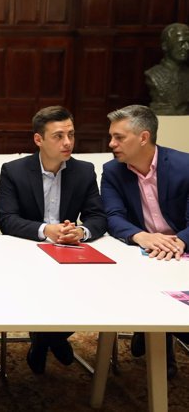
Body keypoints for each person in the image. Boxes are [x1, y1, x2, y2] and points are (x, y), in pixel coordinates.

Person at [0, 105, 107, 374]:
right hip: (26, 252)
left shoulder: (83, 171)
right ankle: (49, 339)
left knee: (97, 291)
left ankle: (47, 339)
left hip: (71, 252)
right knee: (32, 287)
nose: (67, 142)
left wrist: (80, 232)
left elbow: (98, 217)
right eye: (58, 136)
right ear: (39, 139)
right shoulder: (14, 171)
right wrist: (47, 230)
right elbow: (7, 220)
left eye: (70, 134)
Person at [101, 104, 189, 378]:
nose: (111, 144)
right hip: (140, 250)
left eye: (119, 137)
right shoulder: (113, 171)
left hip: (182, 247)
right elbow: (113, 216)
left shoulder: (184, 166)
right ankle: (159, 347)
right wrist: (142, 236)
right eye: (111, 137)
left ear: (143, 137)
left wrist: (179, 243)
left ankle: (159, 335)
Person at [145, 23, 189, 115]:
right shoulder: (153, 75)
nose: (187, 47)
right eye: (181, 43)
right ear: (165, 46)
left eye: (188, 43)